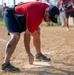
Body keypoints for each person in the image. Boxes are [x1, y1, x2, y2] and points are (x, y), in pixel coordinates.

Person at [2, 2, 59, 72]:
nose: (49, 21)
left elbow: (29, 9)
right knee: (16, 36)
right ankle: (5, 64)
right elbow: (26, 35)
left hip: (22, 16)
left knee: (36, 32)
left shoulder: (47, 8)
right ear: (47, 12)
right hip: (11, 15)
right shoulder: (37, 14)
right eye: (49, 18)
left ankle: (38, 54)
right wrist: (28, 52)